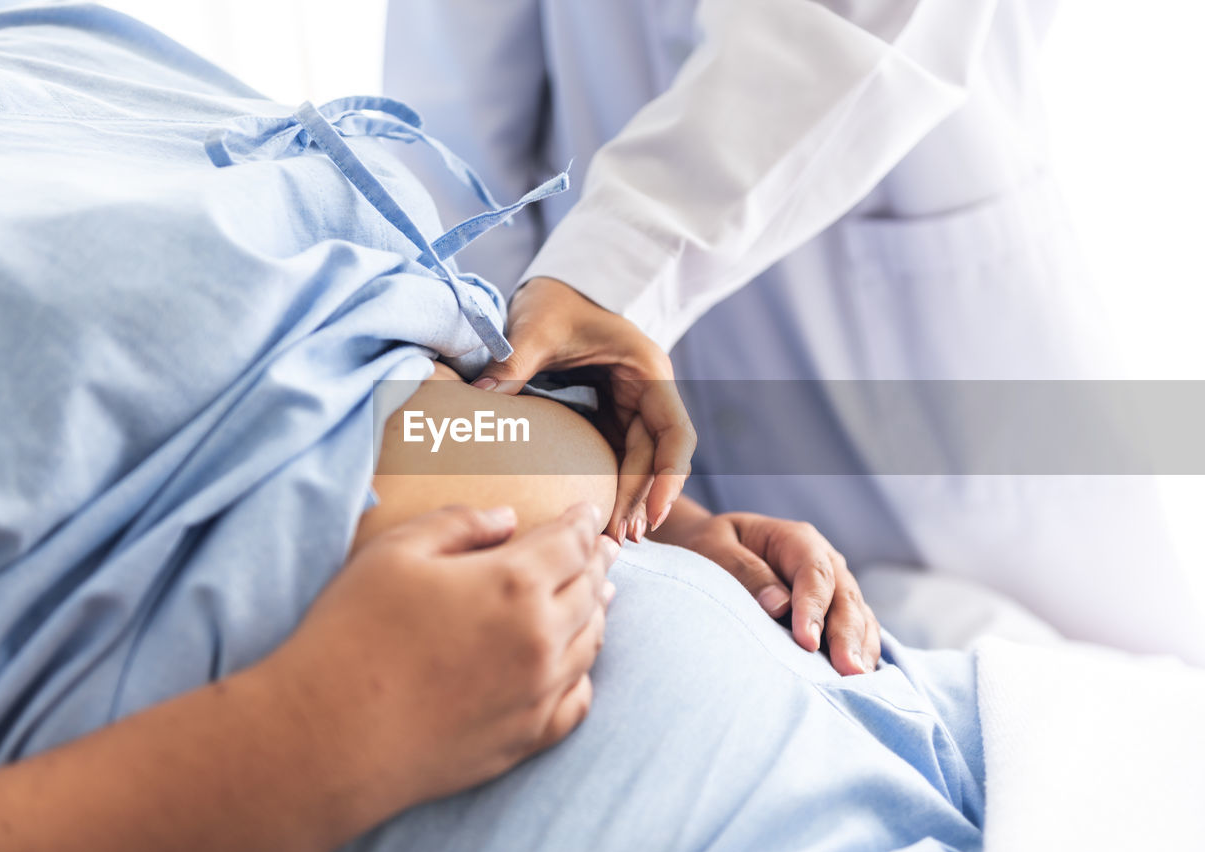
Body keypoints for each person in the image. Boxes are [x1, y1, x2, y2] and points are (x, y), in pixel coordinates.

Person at [0, 7, 988, 852]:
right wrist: (309, 739)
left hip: (884, 717)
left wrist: (656, 516)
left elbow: (332, 355)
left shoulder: (22, 33)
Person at [385, 0, 1205, 663]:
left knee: (1079, 709)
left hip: (925, 336)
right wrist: (523, 351)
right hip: (628, 417)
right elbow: (454, 139)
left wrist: (607, 273)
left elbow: (857, 18)